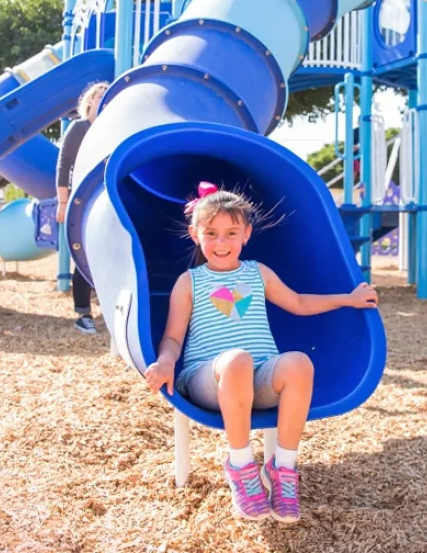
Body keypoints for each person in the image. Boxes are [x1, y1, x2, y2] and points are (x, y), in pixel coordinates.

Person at [144, 183, 378, 523]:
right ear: (195, 234)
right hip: (207, 379)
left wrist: (347, 299)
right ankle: (241, 467)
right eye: (211, 233)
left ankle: (283, 469)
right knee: (237, 360)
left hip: (258, 379)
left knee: (298, 362)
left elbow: (298, 302)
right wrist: (165, 362)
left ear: (246, 234)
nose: (221, 243)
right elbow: (173, 337)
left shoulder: (257, 273)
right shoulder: (189, 282)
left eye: (230, 233)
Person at [55, 81, 109, 334]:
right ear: (89, 102)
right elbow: (64, 165)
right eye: (99, 97)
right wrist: (63, 202)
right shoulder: (80, 128)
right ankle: (83, 313)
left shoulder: (112, 129)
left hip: (105, 197)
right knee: (83, 254)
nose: (103, 101)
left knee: (106, 252)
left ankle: (109, 310)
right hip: (81, 198)